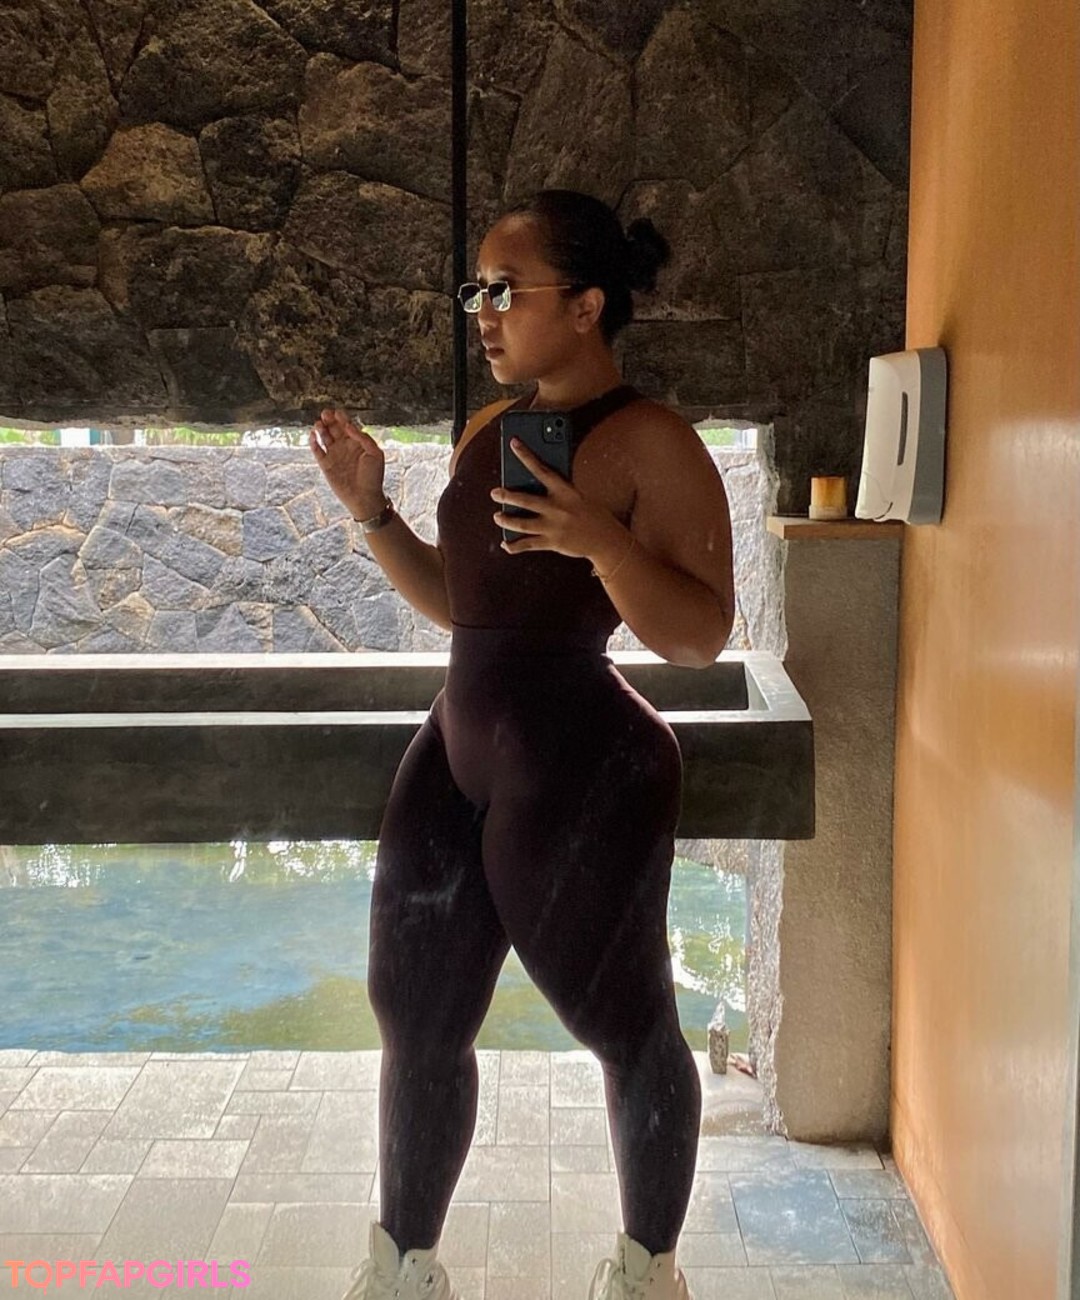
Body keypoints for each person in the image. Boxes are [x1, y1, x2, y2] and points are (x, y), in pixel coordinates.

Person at [310, 188, 735, 1300]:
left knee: (627, 1027)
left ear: (586, 305)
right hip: (457, 753)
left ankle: (647, 1273)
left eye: (505, 291)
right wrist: (372, 511)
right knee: (417, 1020)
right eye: (477, 292)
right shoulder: (489, 430)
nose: (483, 314)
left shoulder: (653, 442)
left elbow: (698, 636)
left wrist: (603, 542)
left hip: (579, 766)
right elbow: (466, 609)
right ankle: (404, 1268)